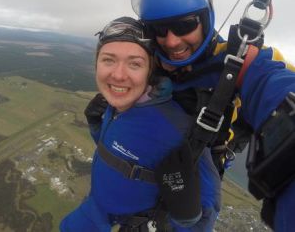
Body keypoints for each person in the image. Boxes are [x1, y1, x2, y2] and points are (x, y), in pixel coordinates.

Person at [130, 0, 295, 232]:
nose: (171, 41)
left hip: (198, 188)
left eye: (184, 25)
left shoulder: (237, 61)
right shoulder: (146, 60)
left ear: (205, 19)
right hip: (148, 173)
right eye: (160, 29)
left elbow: (274, 84)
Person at [59, 16, 221, 232]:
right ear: (96, 63)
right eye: (108, 60)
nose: (118, 75)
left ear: (150, 71)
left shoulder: (175, 128)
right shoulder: (113, 105)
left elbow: (208, 208)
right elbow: (123, 151)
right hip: (96, 208)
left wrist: (185, 219)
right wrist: (97, 128)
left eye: (135, 63)